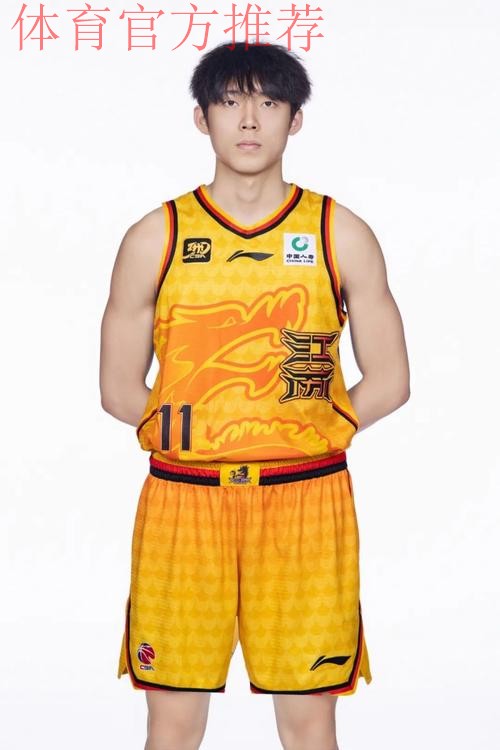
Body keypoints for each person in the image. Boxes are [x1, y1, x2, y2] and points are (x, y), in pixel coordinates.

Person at [100, 39, 410, 750]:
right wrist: (202, 431)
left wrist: (306, 429)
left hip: (305, 501)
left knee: (309, 723)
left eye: (269, 103)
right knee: (173, 722)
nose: (249, 120)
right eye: (230, 102)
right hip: (185, 503)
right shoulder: (156, 236)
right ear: (201, 117)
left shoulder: (338, 232)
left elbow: (391, 380)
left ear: (294, 120)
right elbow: (118, 389)